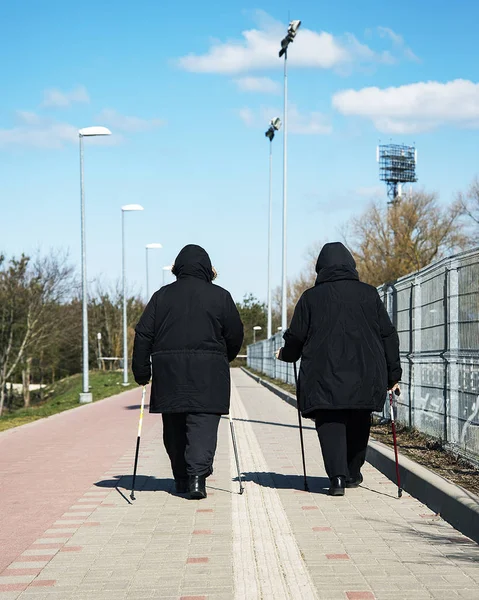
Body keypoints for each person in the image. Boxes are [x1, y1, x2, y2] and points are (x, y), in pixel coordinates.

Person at [276, 242, 401, 496]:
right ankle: (353, 472)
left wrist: (286, 355)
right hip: (365, 374)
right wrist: (393, 376)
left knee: (330, 422)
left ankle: (337, 479)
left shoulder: (310, 298)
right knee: (359, 421)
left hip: (323, 377)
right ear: (351, 265)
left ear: (320, 268)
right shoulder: (369, 294)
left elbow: (297, 336)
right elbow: (387, 335)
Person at [132, 244, 244, 499]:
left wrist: (142, 370)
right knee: (202, 425)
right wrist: (223, 357)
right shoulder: (221, 296)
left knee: (174, 428)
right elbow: (235, 332)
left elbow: (143, 334)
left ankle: (182, 478)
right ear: (207, 268)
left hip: (169, 374)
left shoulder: (161, 297)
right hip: (209, 375)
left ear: (177, 268)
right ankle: (197, 479)